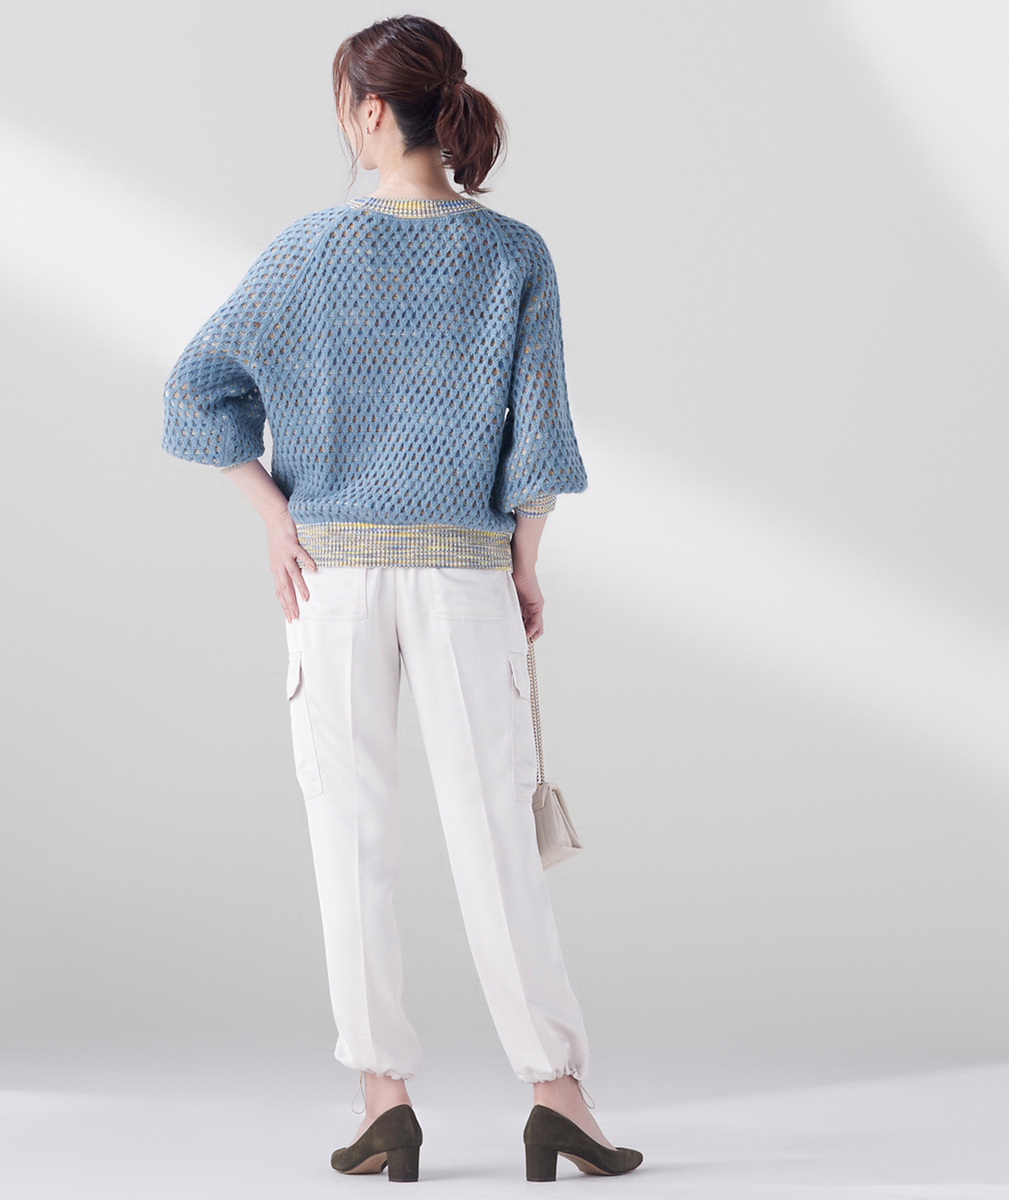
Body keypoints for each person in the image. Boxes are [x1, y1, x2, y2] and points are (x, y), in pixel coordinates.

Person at [161, 13, 642, 1184]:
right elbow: (541, 444)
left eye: (345, 103)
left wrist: (274, 516)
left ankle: (384, 1098)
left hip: (329, 582)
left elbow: (194, 390)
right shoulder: (514, 254)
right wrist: (525, 562)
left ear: (371, 111)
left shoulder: (309, 250)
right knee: (496, 842)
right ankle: (557, 1095)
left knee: (352, 839)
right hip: (465, 576)